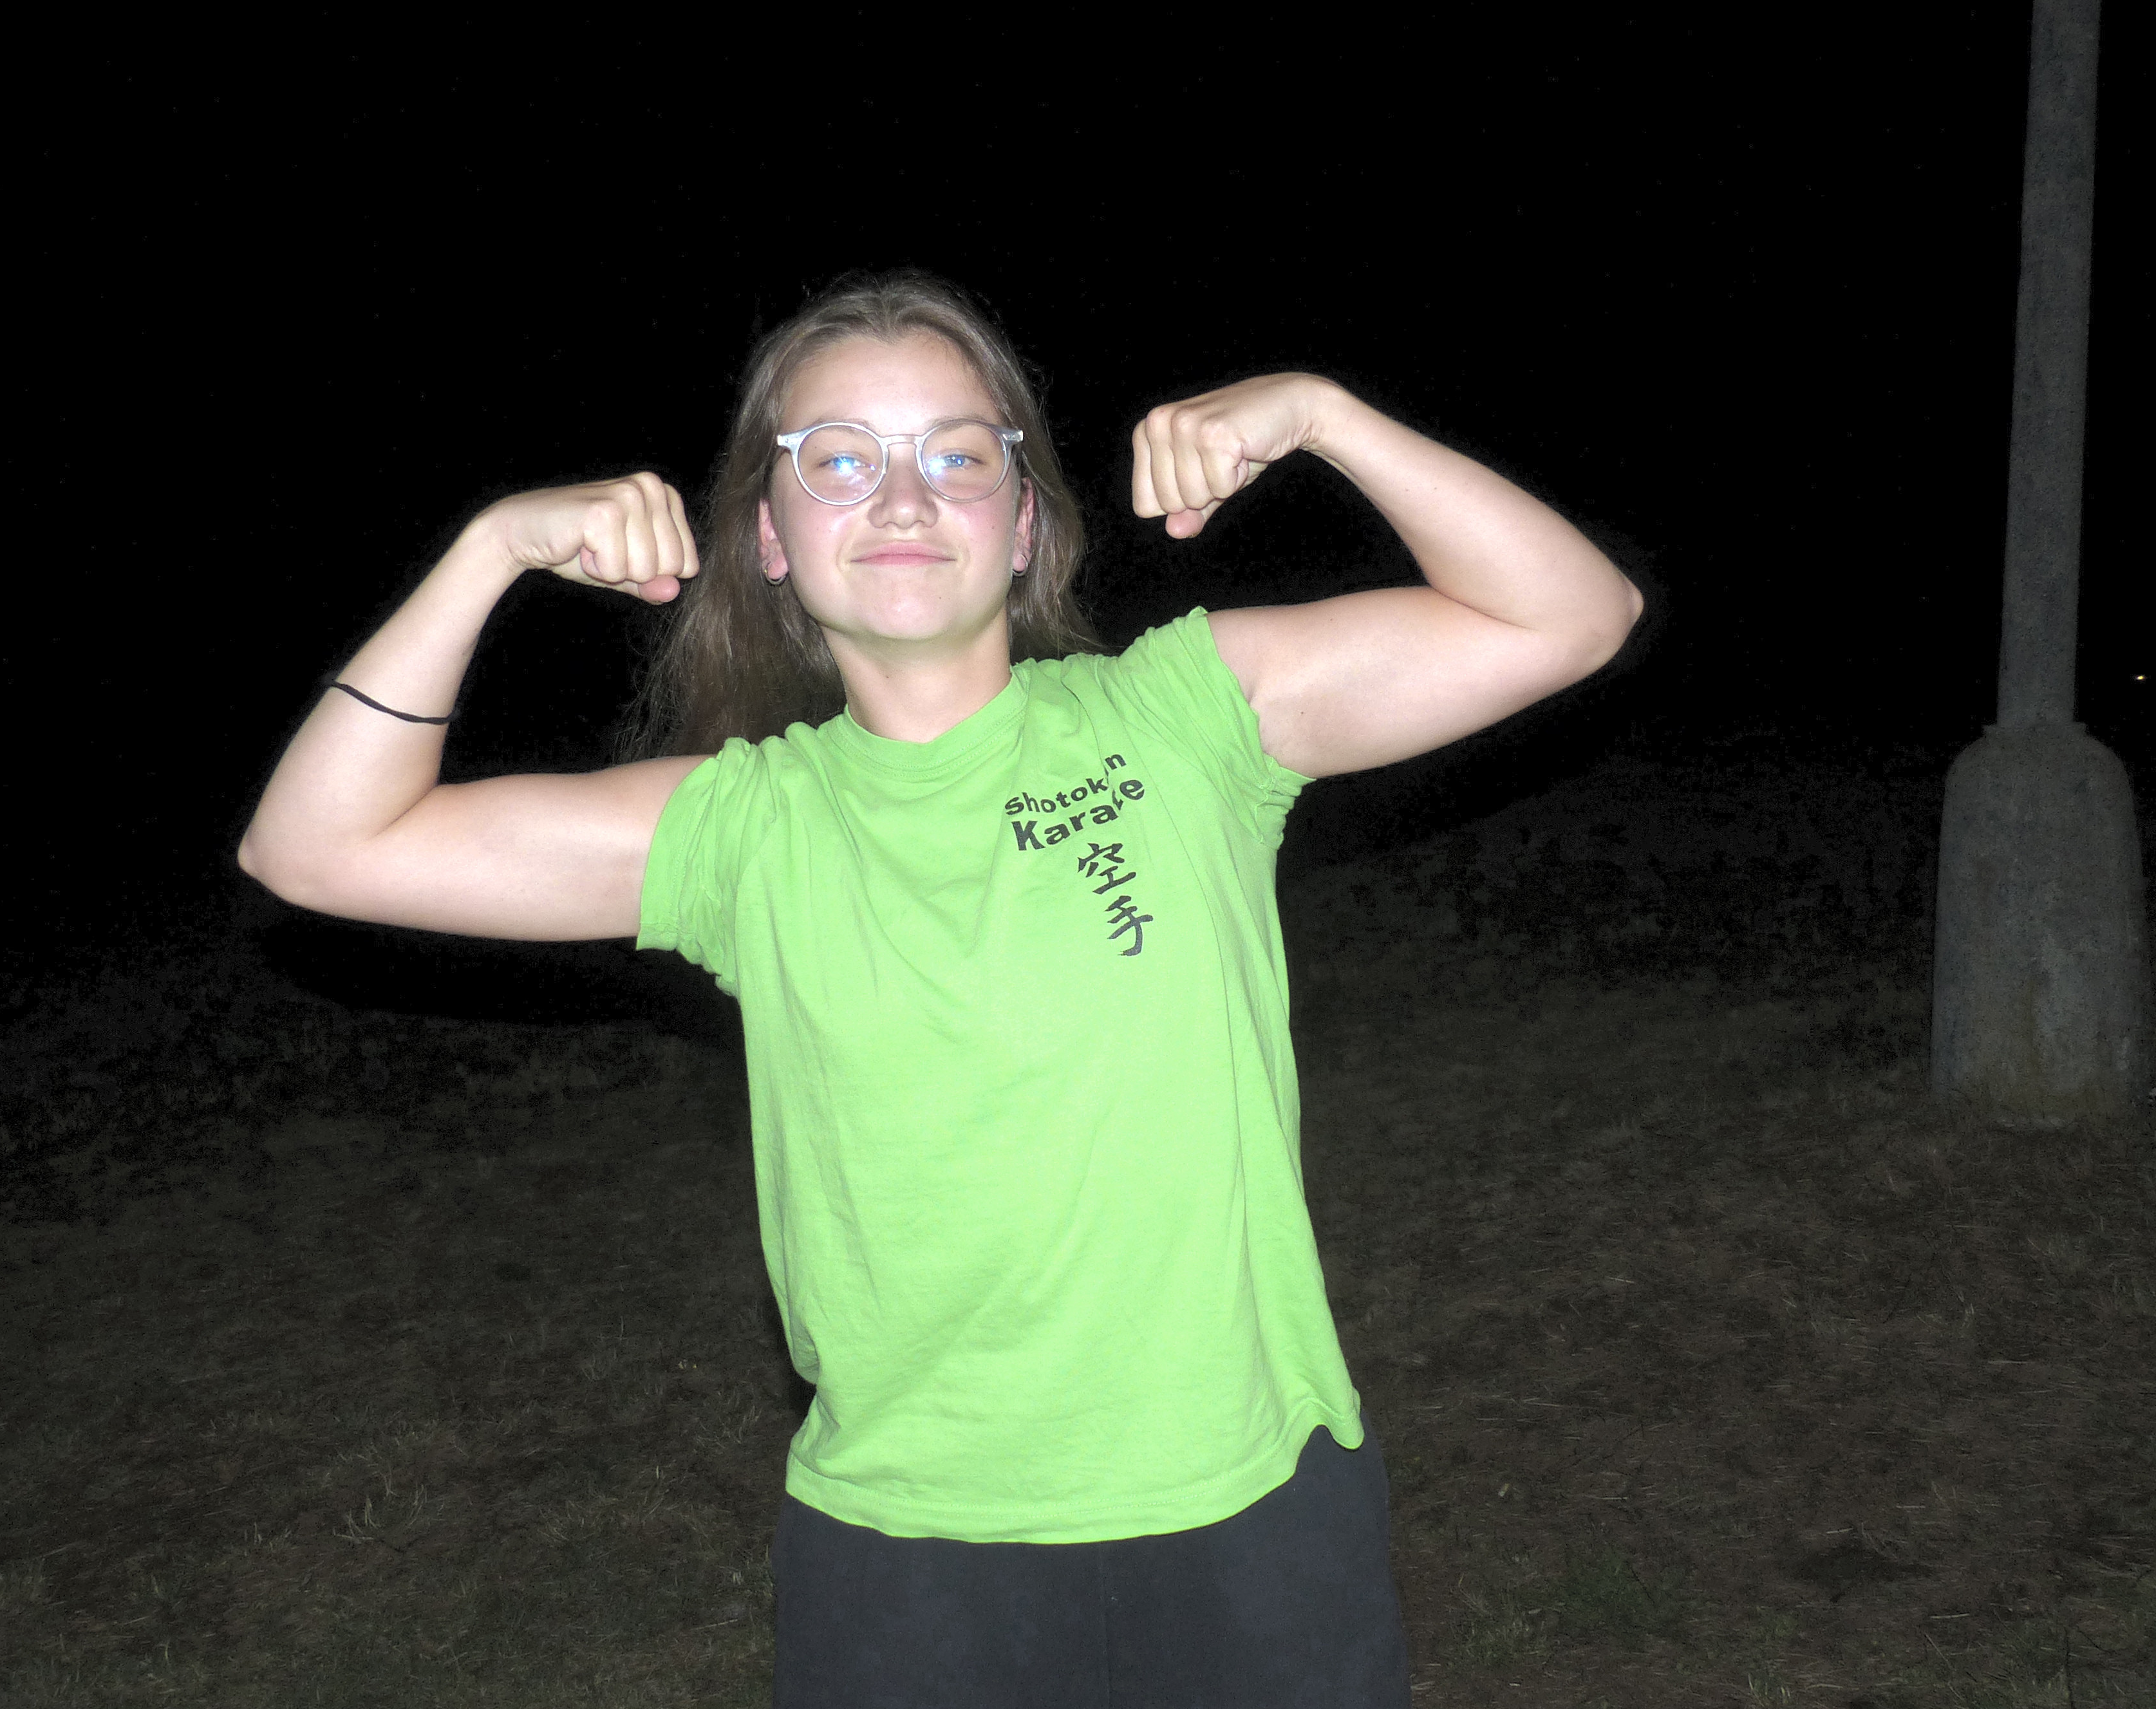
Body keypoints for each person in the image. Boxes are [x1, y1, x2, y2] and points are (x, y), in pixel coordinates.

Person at [239, 272, 1642, 1707]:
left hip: (1249, 1510)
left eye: (958, 455)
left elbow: (1571, 617)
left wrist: (1325, 415)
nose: (903, 498)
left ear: (1023, 523)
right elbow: (315, 849)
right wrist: (487, 550)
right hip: (910, 1553)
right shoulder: (740, 832)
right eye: (837, 459)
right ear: (768, 536)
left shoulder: (1187, 718)